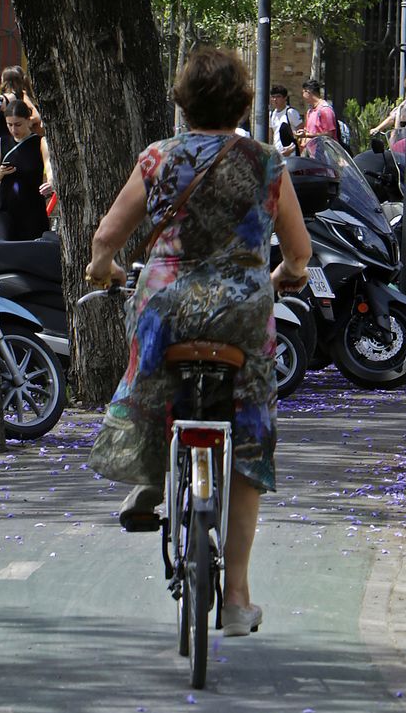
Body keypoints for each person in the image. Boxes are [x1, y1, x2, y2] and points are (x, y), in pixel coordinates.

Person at [88, 44, 312, 635]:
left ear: (183, 102)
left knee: (145, 375)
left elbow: (107, 237)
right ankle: (236, 597)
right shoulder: (266, 163)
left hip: (167, 303)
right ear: (242, 102)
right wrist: (285, 275)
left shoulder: (158, 158)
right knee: (250, 429)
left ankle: (148, 479)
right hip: (242, 311)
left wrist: (102, 269)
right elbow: (299, 253)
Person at [0, 96, 54, 238]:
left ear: (28, 120)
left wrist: (50, 183)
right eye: (9, 125)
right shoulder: (1, 143)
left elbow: (49, 169)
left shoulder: (40, 142)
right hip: (5, 210)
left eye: (18, 124)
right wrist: (1, 172)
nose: (13, 129)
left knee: (32, 249)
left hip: (32, 210)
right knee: (3, 247)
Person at [300, 79, 338, 148]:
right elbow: (308, 130)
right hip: (311, 152)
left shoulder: (325, 110)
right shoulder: (310, 111)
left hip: (324, 152)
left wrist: (307, 135)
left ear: (308, 92)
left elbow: (329, 134)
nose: (302, 96)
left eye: (303, 92)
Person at [268, 87, 299, 156]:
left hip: (291, 155)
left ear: (285, 98)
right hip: (277, 154)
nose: (275, 99)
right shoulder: (272, 114)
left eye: (278, 97)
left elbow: (300, 134)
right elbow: (271, 135)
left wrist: (292, 148)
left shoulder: (290, 112)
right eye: (273, 97)